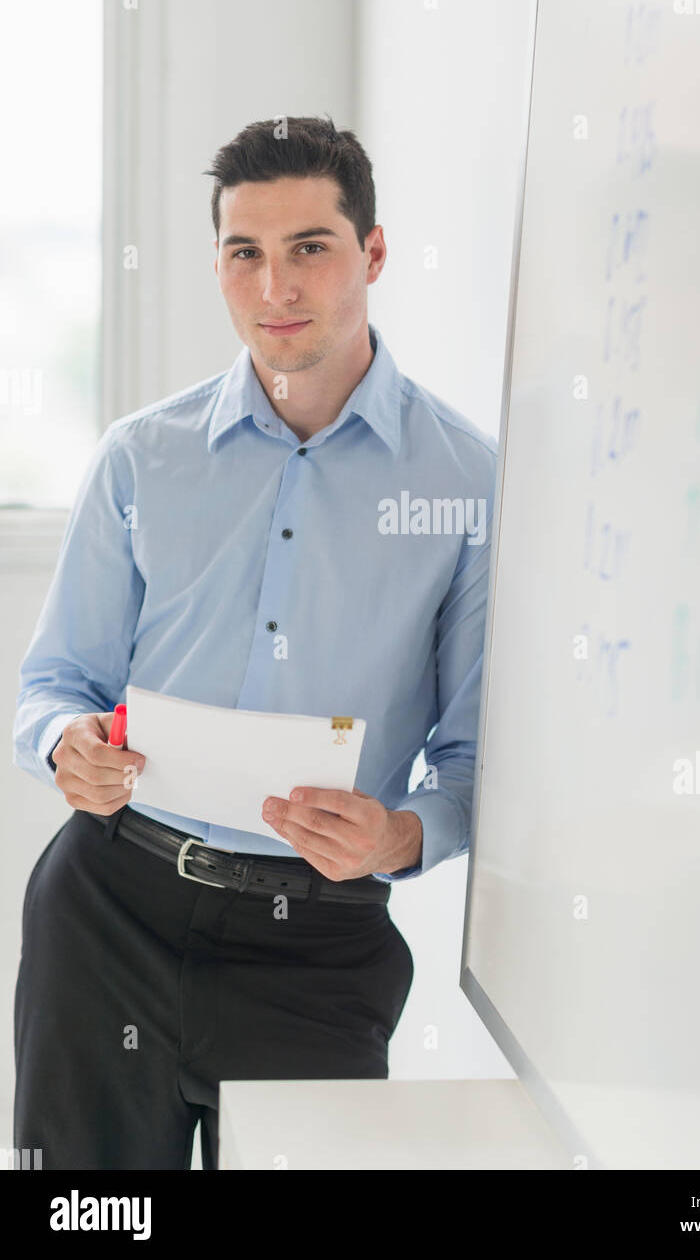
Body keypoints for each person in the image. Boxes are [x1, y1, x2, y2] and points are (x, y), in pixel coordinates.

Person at [12, 115, 497, 1170]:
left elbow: (471, 767)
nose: (275, 286)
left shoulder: (465, 485)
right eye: (246, 254)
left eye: (309, 248)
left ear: (370, 253)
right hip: (108, 919)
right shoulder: (141, 458)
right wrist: (66, 745)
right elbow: (52, 683)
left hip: (317, 950)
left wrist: (396, 839)